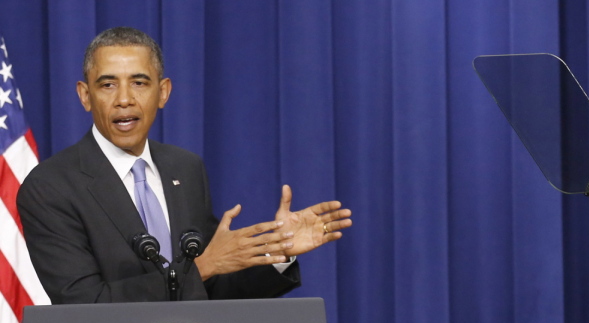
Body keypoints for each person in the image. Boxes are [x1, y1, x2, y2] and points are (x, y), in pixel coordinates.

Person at [16, 26, 352, 303]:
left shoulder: (185, 168)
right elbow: (84, 302)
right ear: (84, 95)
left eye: (139, 82)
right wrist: (202, 268)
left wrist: (278, 254)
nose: (124, 99)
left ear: (163, 93)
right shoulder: (50, 187)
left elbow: (212, 289)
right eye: (107, 84)